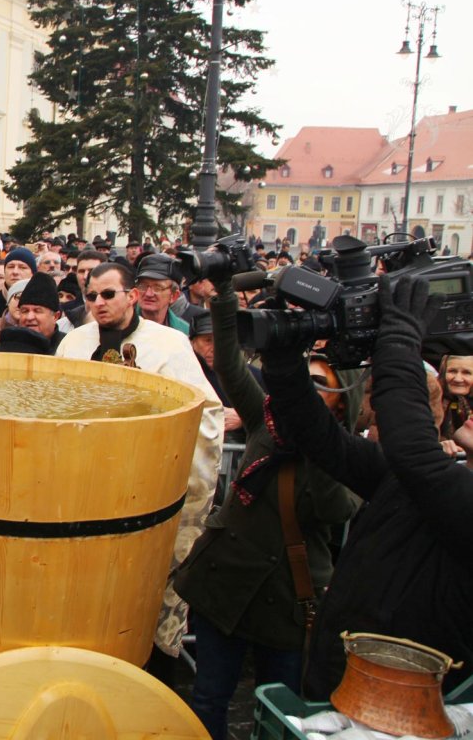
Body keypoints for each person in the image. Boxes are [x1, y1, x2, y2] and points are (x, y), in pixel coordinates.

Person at [258, 276, 473, 701]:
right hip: (338, 681)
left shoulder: (451, 494)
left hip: (404, 709)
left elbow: (412, 449)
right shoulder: (425, 481)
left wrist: (399, 336)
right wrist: (283, 365)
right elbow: (325, 442)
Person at [172, 272, 358, 739]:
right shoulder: (265, 422)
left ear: (338, 408)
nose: (308, 395)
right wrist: (223, 298)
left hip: (287, 604)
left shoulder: (345, 459)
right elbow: (232, 366)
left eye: (321, 389)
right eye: (304, 386)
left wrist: (320, 443)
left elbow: (337, 510)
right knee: (209, 697)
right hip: (225, 593)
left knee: (280, 710)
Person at [56, 262, 223, 680]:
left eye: (108, 294)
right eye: (91, 295)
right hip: (80, 483)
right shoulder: (74, 342)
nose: (98, 303)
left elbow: (203, 413)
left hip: (142, 487)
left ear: (132, 296)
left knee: (135, 593)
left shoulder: (169, 345)